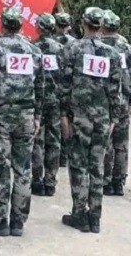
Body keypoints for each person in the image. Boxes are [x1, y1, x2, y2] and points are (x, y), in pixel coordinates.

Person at [0, 8, 43, 238]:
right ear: (21, 25)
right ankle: (18, 221)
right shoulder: (34, 51)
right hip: (25, 115)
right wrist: (37, 116)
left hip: (0, 115)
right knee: (23, 169)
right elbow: (40, 87)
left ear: (2, 23)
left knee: (0, 166)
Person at [60, 7, 122, 234]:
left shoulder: (72, 49)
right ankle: (95, 216)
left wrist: (63, 115)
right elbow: (115, 91)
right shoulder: (112, 54)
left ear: (83, 24)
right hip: (102, 118)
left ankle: (79, 214)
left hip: (79, 117)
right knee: (97, 167)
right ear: (101, 26)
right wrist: (114, 117)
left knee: (79, 166)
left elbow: (64, 86)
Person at [101, 10, 131, 196]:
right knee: (122, 143)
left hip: (105, 100)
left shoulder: (99, 47)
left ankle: (106, 181)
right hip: (123, 99)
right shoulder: (127, 48)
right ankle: (119, 181)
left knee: (107, 141)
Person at [31, 13, 65, 198]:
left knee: (37, 140)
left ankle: (36, 180)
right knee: (54, 141)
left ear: (38, 27)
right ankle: (50, 182)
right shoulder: (62, 49)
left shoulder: (32, 48)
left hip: (38, 100)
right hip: (56, 101)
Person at [53, 13, 74, 167]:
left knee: (53, 124)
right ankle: (65, 156)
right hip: (69, 87)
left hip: (52, 87)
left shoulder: (48, 43)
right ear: (69, 26)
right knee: (68, 121)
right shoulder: (75, 44)